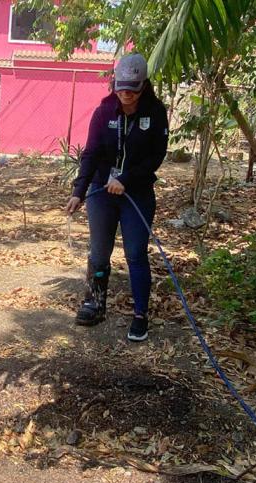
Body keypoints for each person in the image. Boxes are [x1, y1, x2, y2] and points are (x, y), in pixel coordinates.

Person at [64, 53, 168, 342]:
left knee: (135, 253)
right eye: (122, 87)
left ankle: (140, 315)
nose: (126, 94)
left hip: (137, 193)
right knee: (99, 253)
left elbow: (155, 157)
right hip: (102, 193)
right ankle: (94, 303)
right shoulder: (104, 112)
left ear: (144, 86)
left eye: (133, 89)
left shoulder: (155, 113)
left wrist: (125, 180)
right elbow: (91, 153)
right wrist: (79, 192)